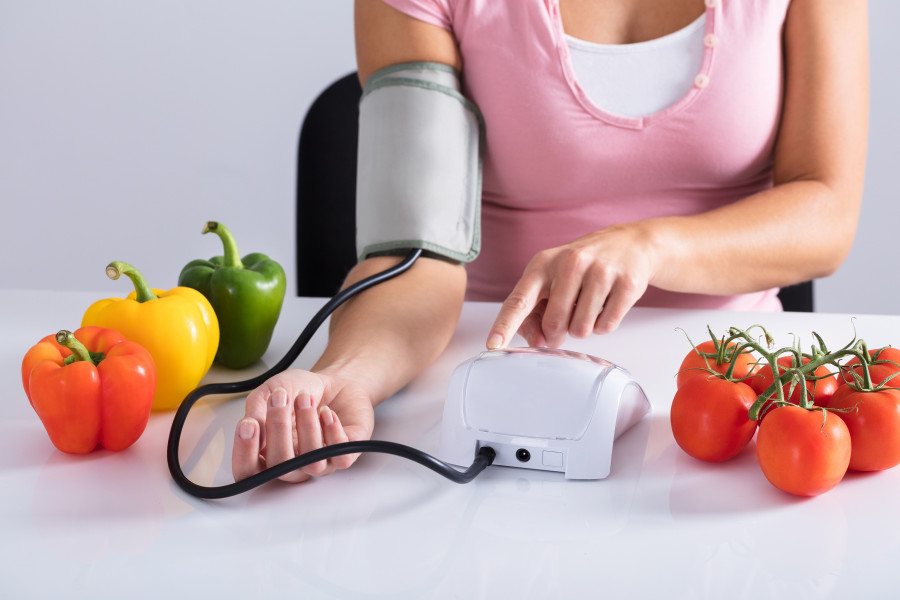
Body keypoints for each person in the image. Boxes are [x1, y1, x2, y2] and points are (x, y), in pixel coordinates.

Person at [232, 0, 868, 483]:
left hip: (729, 394)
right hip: (488, 382)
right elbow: (416, 252)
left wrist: (650, 247)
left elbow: (827, 212)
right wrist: (345, 378)